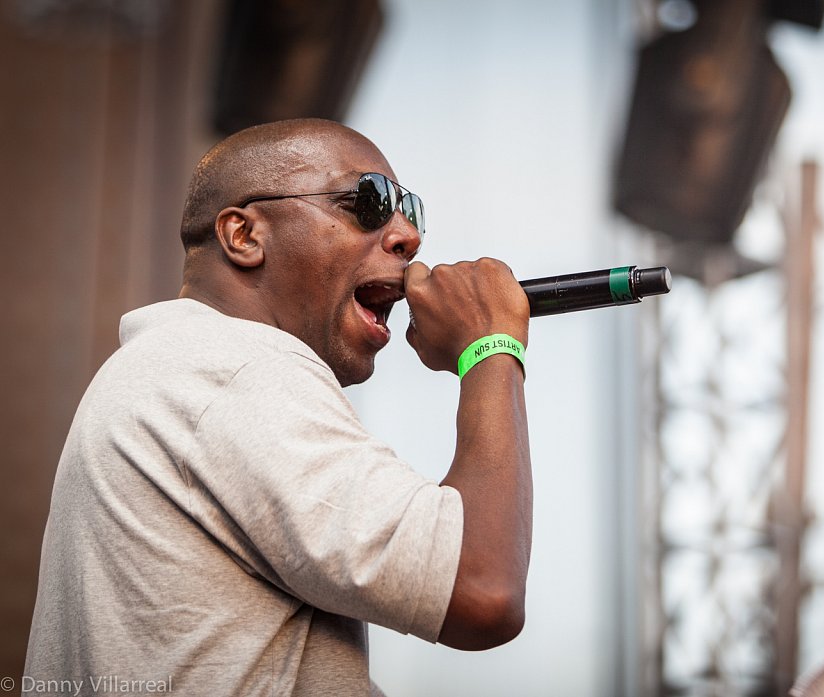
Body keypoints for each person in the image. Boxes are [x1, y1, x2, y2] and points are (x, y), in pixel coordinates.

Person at [24, 118, 533, 696]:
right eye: (368, 201)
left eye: (411, 212)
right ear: (244, 235)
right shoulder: (234, 365)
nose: (408, 238)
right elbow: (482, 587)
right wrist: (492, 347)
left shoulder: (170, 368)